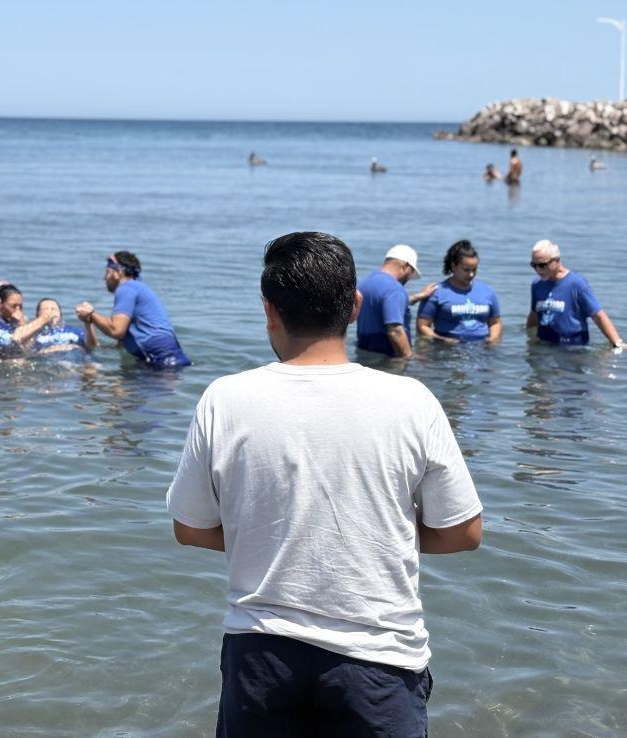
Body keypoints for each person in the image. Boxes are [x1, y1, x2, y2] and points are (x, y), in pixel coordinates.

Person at [166, 231, 482, 736]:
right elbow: (462, 532)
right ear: (354, 306)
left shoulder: (224, 399)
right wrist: (374, 534)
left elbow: (190, 527)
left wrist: (273, 533)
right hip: (379, 659)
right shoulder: (412, 401)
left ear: (269, 311)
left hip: (260, 654)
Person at [75, 251, 190, 367]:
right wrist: (88, 324)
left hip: (163, 359)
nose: (104, 278)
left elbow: (116, 330)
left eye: (107, 272)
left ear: (118, 272)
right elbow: (119, 346)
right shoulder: (136, 288)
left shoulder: (126, 288)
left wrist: (91, 314)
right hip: (163, 357)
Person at [527, 239, 627, 349]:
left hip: (572, 348)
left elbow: (598, 315)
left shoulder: (576, 284)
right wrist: (530, 340)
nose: (537, 270)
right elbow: (534, 314)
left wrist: (618, 343)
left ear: (556, 261)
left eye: (542, 265)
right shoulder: (537, 284)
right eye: (534, 265)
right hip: (544, 346)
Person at [355, 244, 437, 357]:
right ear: (405, 266)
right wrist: (408, 356)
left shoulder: (365, 284)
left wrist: (419, 296)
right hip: (388, 357)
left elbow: (382, 304)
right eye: (411, 273)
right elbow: (395, 331)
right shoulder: (394, 289)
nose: (409, 278)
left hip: (364, 352)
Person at [417, 240, 502, 344]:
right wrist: (442, 340)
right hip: (447, 348)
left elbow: (495, 323)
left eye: (474, 269)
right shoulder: (436, 292)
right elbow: (422, 326)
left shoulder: (487, 291)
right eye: (466, 270)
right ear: (454, 266)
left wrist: (493, 339)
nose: (471, 274)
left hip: (481, 348)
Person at [0, 283, 54, 368]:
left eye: (20, 306)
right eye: (13, 306)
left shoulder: (19, 324)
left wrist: (22, 323)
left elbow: (28, 347)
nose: (18, 310)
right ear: (1, 305)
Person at [31, 298, 98, 356]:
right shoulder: (33, 333)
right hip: (50, 360)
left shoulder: (74, 331)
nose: (50, 312)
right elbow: (30, 352)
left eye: (53, 309)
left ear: (60, 314)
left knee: (92, 364)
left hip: (78, 358)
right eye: (45, 309)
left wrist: (87, 322)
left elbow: (92, 345)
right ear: (37, 315)